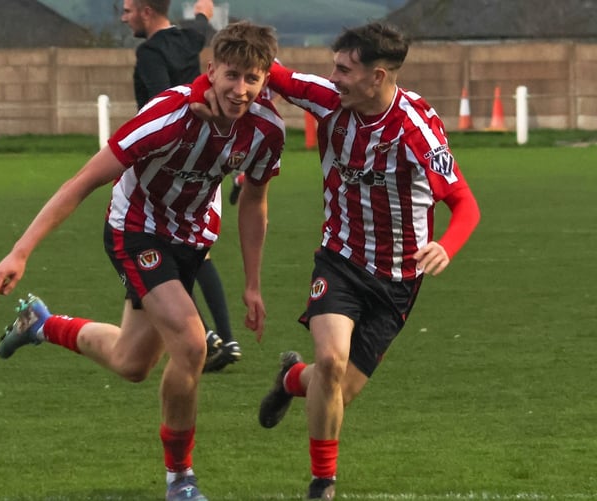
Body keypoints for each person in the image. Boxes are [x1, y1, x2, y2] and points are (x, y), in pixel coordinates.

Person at [0, 21, 282, 501]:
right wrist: (20, 250)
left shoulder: (266, 129)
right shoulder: (167, 115)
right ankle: (180, 481)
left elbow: (254, 201)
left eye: (253, 78)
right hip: (136, 229)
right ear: (211, 70)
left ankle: (41, 324)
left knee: (131, 362)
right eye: (232, 75)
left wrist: (252, 283)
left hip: (191, 239)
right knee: (191, 344)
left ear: (266, 79)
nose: (241, 88)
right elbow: (83, 180)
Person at [191, 21, 480, 500]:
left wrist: (446, 245)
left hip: (397, 281)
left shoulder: (417, 129)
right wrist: (202, 92)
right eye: (334, 66)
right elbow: (255, 70)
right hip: (340, 259)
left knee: (336, 392)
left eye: (345, 70)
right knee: (330, 359)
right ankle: (323, 482)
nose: (334, 77)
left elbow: (465, 203)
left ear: (378, 76)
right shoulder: (326, 98)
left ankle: (289, 378)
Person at [122, 0, 241, 372]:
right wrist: (203, 13)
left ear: (145, 11)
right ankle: (224, 336)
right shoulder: (190, 39)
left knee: (157, 254)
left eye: (127, 10)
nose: (124, 17)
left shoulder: (150, 53)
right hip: (205, 161)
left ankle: (204, 336)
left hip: (165, 164)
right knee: (197, 252)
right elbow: (203, 29)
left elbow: (163, 101)